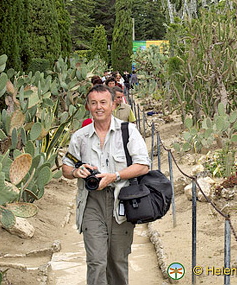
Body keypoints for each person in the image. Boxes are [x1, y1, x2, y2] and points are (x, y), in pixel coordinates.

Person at [62, 84, 150, 285]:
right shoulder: (80, 137)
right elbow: (66, 168)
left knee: (117, 260)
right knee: (96, 260)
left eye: (103, 102)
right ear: (88, 106)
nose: (98, 107)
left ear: (113, 104)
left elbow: (143, 165)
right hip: (91, 202)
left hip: (122, 200)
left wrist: (115, 176)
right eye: (94, 103)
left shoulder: (129, 131)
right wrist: (77, 171)